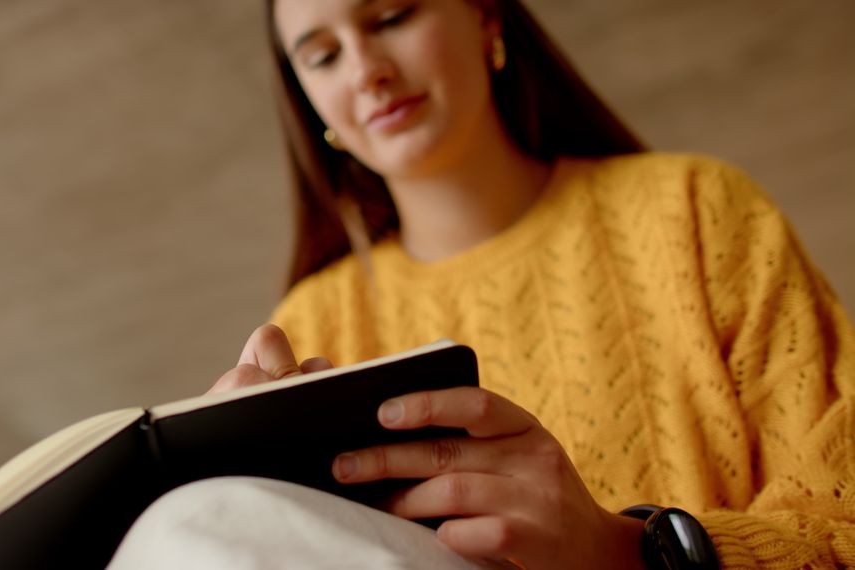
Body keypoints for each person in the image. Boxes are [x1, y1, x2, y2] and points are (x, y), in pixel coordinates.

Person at [113, 0, 855, 568]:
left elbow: (843, 525)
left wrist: (623, 549)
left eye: (393, 15)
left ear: (485, 14)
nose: (365, 70)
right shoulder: (318, 317)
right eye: (322, 56)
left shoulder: (696, 210)